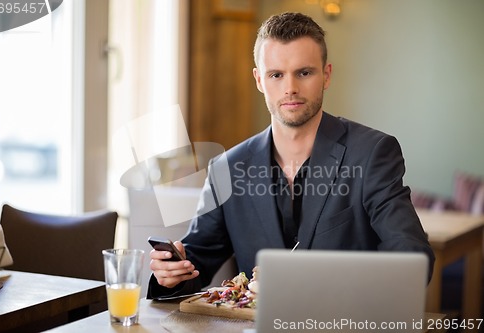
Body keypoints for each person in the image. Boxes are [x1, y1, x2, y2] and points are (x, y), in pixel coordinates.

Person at [147, 12, 435, 299]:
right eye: (276, 75)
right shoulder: (226, 168)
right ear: (259, 80)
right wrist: (172, 274)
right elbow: (195, 261)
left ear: (327, 75)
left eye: (304, 72)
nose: (290, 88)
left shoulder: (372, 152)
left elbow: (413, 257)